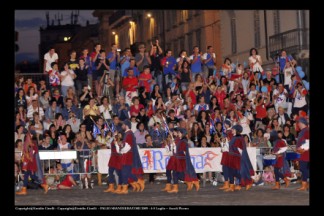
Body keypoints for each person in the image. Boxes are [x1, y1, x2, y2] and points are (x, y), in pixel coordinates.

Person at [116, 120, 144, 194]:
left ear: (126, 125)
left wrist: (121, 149)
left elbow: (128, 146)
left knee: (125, 172)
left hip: (127, 155)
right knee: (125, 172)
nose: (122, 126)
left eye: (123, 125)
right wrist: (121, 145)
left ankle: (127, 188)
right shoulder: (128, 133)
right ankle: (138, 181)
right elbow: (126, 145)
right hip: (126, 155)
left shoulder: (129, 134)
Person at [225, 125, 254, 192]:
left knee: (237, 172)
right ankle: (233, 186)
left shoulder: (238, 138)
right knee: (232, 171)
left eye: (233, 129)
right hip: (233, 157)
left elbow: (240, 149)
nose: (232, 130)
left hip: (237, 157)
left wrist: (239, 158)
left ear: (236, 130)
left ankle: (248, 181)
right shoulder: (235, 137)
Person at [295, 117, 309, 191]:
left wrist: (302, 149)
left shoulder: (306, 130)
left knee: (303, 168)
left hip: (305, 153)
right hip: (303, 153)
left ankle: (304, 185)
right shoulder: (304, 130)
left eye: (298, 123)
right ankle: (305, 185)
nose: (298, 124)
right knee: (303, 168)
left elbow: (308, 142)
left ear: (301, 123)